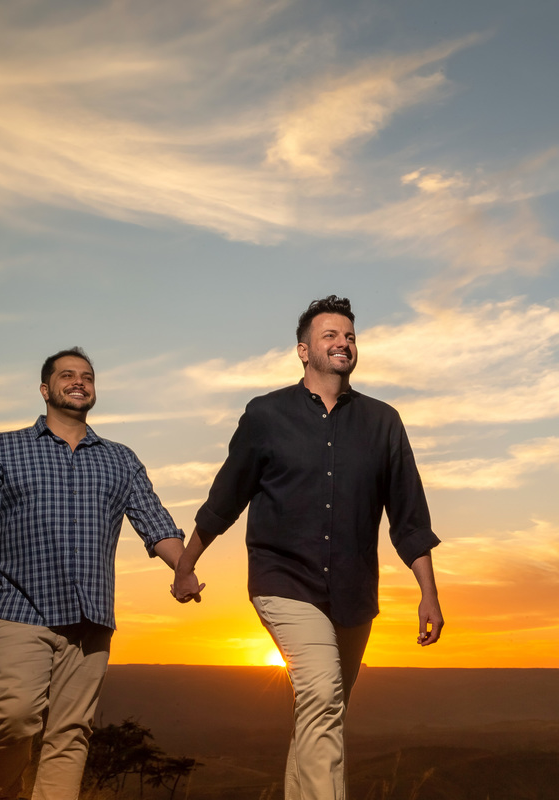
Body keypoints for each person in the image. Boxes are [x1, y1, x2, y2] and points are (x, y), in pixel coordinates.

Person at [172, 295, 444, 800]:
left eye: (350, 336)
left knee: (323, 710)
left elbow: (409, 517)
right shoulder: (266, 414)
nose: (343, 342)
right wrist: (185, 566)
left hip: (353, 592)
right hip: (283, 581)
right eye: (330, 335)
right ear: (303, 350)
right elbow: (224, 499)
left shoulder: (383, 422)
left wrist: (429, 594)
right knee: (321, 693)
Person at [0, 347, 191, 800]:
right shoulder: (2, 448)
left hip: (91, 618)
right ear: (44, 389)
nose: (79, 382)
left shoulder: (120, 459)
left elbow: (156, 522)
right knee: (10, 717)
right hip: (20, 608)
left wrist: (184, 569)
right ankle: (3, 789)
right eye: (67, 375)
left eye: (87, 376)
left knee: (71, 733)